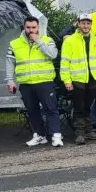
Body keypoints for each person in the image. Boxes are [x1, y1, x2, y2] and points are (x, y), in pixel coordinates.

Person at [6, 16, 62, 147]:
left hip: (45, 81)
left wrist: (39, 42)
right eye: (28, 27)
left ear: (38, 28)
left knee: (51, 109)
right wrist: (10, 81)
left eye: (33, 27)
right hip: (26, 83)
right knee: (32, 110)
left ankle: (56, 135)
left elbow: (53, 55)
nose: (31, 30)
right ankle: (40, 135)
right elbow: (9, 63)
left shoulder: (47, 40)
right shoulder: (15, 44)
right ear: (24, 27)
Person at [60, 13, 96, 144]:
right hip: (78, 78)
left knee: (88, 106)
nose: (86, 25)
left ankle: (89, 130)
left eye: (88, 23)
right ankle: (80, 133)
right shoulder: (70, 40)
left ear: (91, 25)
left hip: (93, 78)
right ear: (78, 24)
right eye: (83, 23)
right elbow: (65, 62)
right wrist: (67, 80)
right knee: (79, 106)